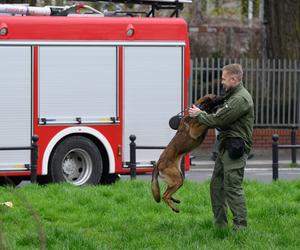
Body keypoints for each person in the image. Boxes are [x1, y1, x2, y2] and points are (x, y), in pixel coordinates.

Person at [189, 63, 254, 230]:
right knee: (216, 186)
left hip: (235, 148)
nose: (222, 82)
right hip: (226, 146)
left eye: (224, 79)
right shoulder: (231, 95)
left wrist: (199, 115)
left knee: (232, 187)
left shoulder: (240, 99)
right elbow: (220, 114)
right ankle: (220, 227)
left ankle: (240, 228)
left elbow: (219, 120)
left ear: (233, 79)